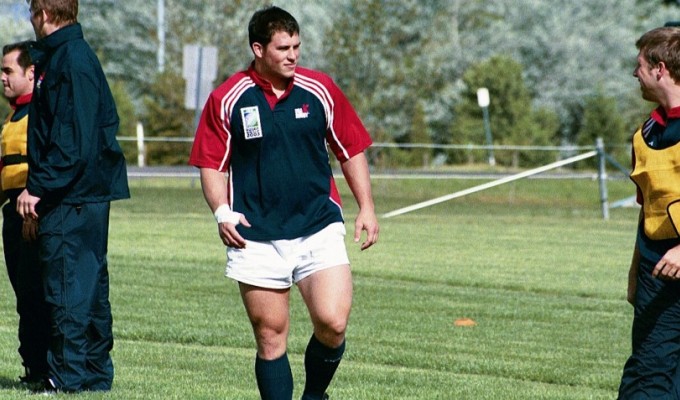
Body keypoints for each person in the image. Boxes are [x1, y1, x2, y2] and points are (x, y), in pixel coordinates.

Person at [189, 6, 379, 400]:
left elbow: (351, 148)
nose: (293, 55)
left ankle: (314, 396)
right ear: (258, 49)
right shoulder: (228, 98)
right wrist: (222, 212)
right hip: (256, 236)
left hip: (318, 226)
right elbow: (212, 164)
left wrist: (367, 206)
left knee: (333, 322)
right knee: (271, 338)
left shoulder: (320, 89)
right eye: (282, 48)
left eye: (296, 46)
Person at [16, 0, 130, 393]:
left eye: (31, 11)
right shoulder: (64, 56)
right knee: (89, 285)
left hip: (73, 195)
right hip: (83, 192)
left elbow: (72, 140)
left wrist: (38, 187)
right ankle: (94, 373)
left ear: (43, 14)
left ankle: (66, 376)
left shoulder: (71, 61)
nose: (29, 20)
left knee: (67, 285)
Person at [620, 26, 680, 398]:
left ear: (660, 68)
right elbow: (649, 211)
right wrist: (634, 271)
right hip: (657, 270)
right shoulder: (645, 134)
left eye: (639, 65)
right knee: (648, 370)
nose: (634, 73)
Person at [0, 40, 50, 387]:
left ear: (31, 73)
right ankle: (32, 365)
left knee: (36, 294)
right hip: (11, 213)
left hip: (32, 211)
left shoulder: (40, 113)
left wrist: (34, 212)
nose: (2, 78)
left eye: (8, 71)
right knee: (23, 295)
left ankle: (45, 368)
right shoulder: (12, 115)